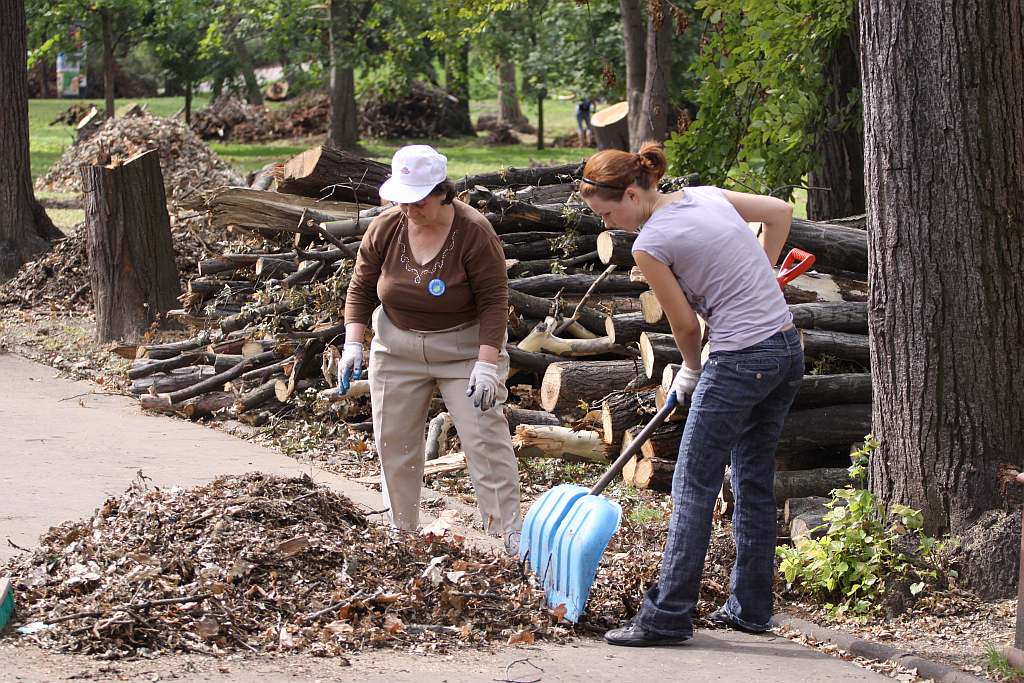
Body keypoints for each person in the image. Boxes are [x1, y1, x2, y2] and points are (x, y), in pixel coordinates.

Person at [578, 142, 803, 646]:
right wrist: (763, 273)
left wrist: (693, 369)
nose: (613, 224)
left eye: (611, 212)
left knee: (692, 484)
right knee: (752, 475)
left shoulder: (650, 243)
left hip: (741, 358)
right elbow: (780, 212)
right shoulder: (703, 196)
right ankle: (750, 609)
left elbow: (682, 323)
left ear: (633, 193)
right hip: (786, 350)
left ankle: (667, 616)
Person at [339, 145, 522, 552]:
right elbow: (361, 287)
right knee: (395, 440)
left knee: (484, 440)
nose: (408, 208)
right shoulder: (386, 227)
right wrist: (354, 342)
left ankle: (506, 535)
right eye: (402, 199)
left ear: (442, 192)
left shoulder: (473, 232)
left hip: (462, 350)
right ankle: (400, 533)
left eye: (417, 200)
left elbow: (495, 299)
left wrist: (487, 364)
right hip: (397, 348)